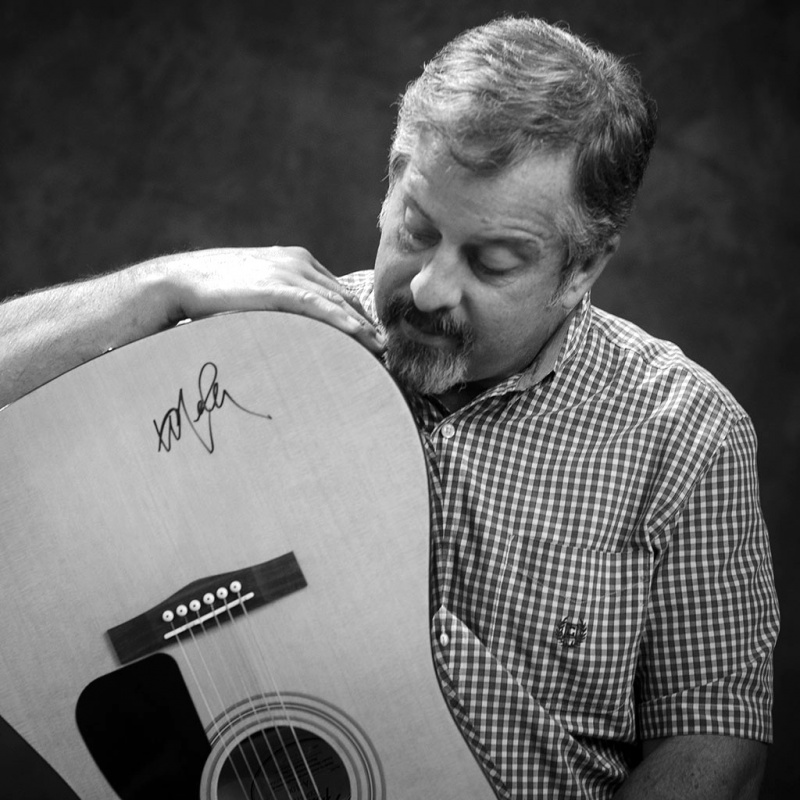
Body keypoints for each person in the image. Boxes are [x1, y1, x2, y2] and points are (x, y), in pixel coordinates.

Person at [0, 16, 779, 800]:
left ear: (585, 267)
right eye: (417, 227)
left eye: (492, 260)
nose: (430, 287)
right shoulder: (246, 350)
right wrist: (155, 288)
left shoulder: (686, 431)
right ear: (390, 188)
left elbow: (715, 739)